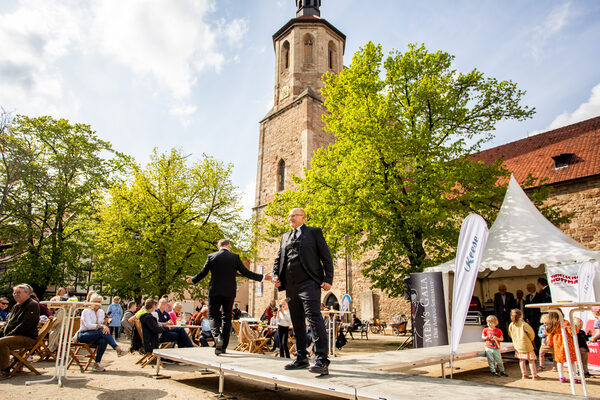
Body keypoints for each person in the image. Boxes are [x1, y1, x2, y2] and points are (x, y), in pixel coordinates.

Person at [272, 208, 333, 375]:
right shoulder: (285, 237)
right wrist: (275, 274)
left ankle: (322, 359)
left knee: (314, 318)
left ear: (304, 218)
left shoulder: (314, 232)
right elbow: (279, 259)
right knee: (297, 321)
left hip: (309, 282)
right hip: (291, 285)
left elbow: (326, 257)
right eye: (289, 216)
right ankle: (301, 357)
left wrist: (328, 279)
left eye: (294, 215)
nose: (290, 218)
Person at [187, 238, 270, 355]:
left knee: (212, 316)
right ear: (228, 246)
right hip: (229, 293)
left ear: (218, 247)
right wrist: (262, 277)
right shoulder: (234, 257)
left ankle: (217, 338)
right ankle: (223, 347)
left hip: (215, 291)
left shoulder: (212, 257)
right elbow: (246, 273)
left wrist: (193, 280)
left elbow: (203, 272)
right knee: (226, 318)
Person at [77, 293, 127, 372]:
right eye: (98, 302)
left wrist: (105, 323)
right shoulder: (86, 311)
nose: (100, 304)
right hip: (84, 334)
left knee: (103, 340)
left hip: (96, 335)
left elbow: (101, 325)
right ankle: (116, 348)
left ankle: (97, 363)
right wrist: (101, 326)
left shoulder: (100, 312)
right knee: (102, 331)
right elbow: (88, 325)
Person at [0, 284, 40, 380]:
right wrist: (2, 332)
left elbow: (25, 325)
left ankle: (4, 371)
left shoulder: (32, 305)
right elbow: (8, 323)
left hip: (27, 337)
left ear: (27, 294)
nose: (15, 294)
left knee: (2, 342)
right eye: (14, 292)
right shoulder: (16, 306)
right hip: (15, 335)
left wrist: (8, 334)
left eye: (18, 293)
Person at [547, 310, 579, 383]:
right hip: (567, 343)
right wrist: (576, 327)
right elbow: (572, 332)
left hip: (557, 343)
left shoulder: (551, 325)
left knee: (559, 361)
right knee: (572, 361)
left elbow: (550, 336)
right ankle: (574, 377)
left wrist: (550, 344)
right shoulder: (565, 323)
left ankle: (561, 377)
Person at [508, 309, 540, 380]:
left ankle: (524, 374)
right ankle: (534, 375)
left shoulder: (511, 325)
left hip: (517, 345)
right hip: (526, 344)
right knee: (531, 360)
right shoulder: (524, 324)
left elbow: (510, 334)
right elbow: (532, 334)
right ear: (521, 315)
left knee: (522, 360)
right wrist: (530, 339)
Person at [524, 283, 541, 350]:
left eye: (530, 288)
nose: (529, 290)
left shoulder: (539, 296)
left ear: (534, 288)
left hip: (538, 317)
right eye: (528, 288)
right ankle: (537, 347)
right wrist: (527, 317)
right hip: (531, 318)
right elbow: (526, 308)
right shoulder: (527, 297)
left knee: (541, 333)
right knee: (534, 334)